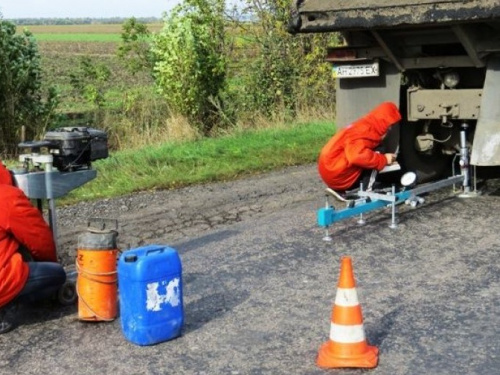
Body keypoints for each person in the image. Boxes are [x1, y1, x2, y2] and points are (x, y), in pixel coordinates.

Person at [0, 161, 66, 334]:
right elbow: (39, 238)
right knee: (57, 274)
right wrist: (50, 261)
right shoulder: (6, 198)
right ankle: (6, 306)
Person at [318, 101, 402, 192]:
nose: (390, 129)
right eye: (389, 126)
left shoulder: (363, 125)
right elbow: (355, 156)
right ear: (383, 123)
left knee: (373, 153)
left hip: (330, 171)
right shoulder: (366, 133)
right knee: (378, 151)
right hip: (339, 179)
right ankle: (367, 190)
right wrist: (384, 159)